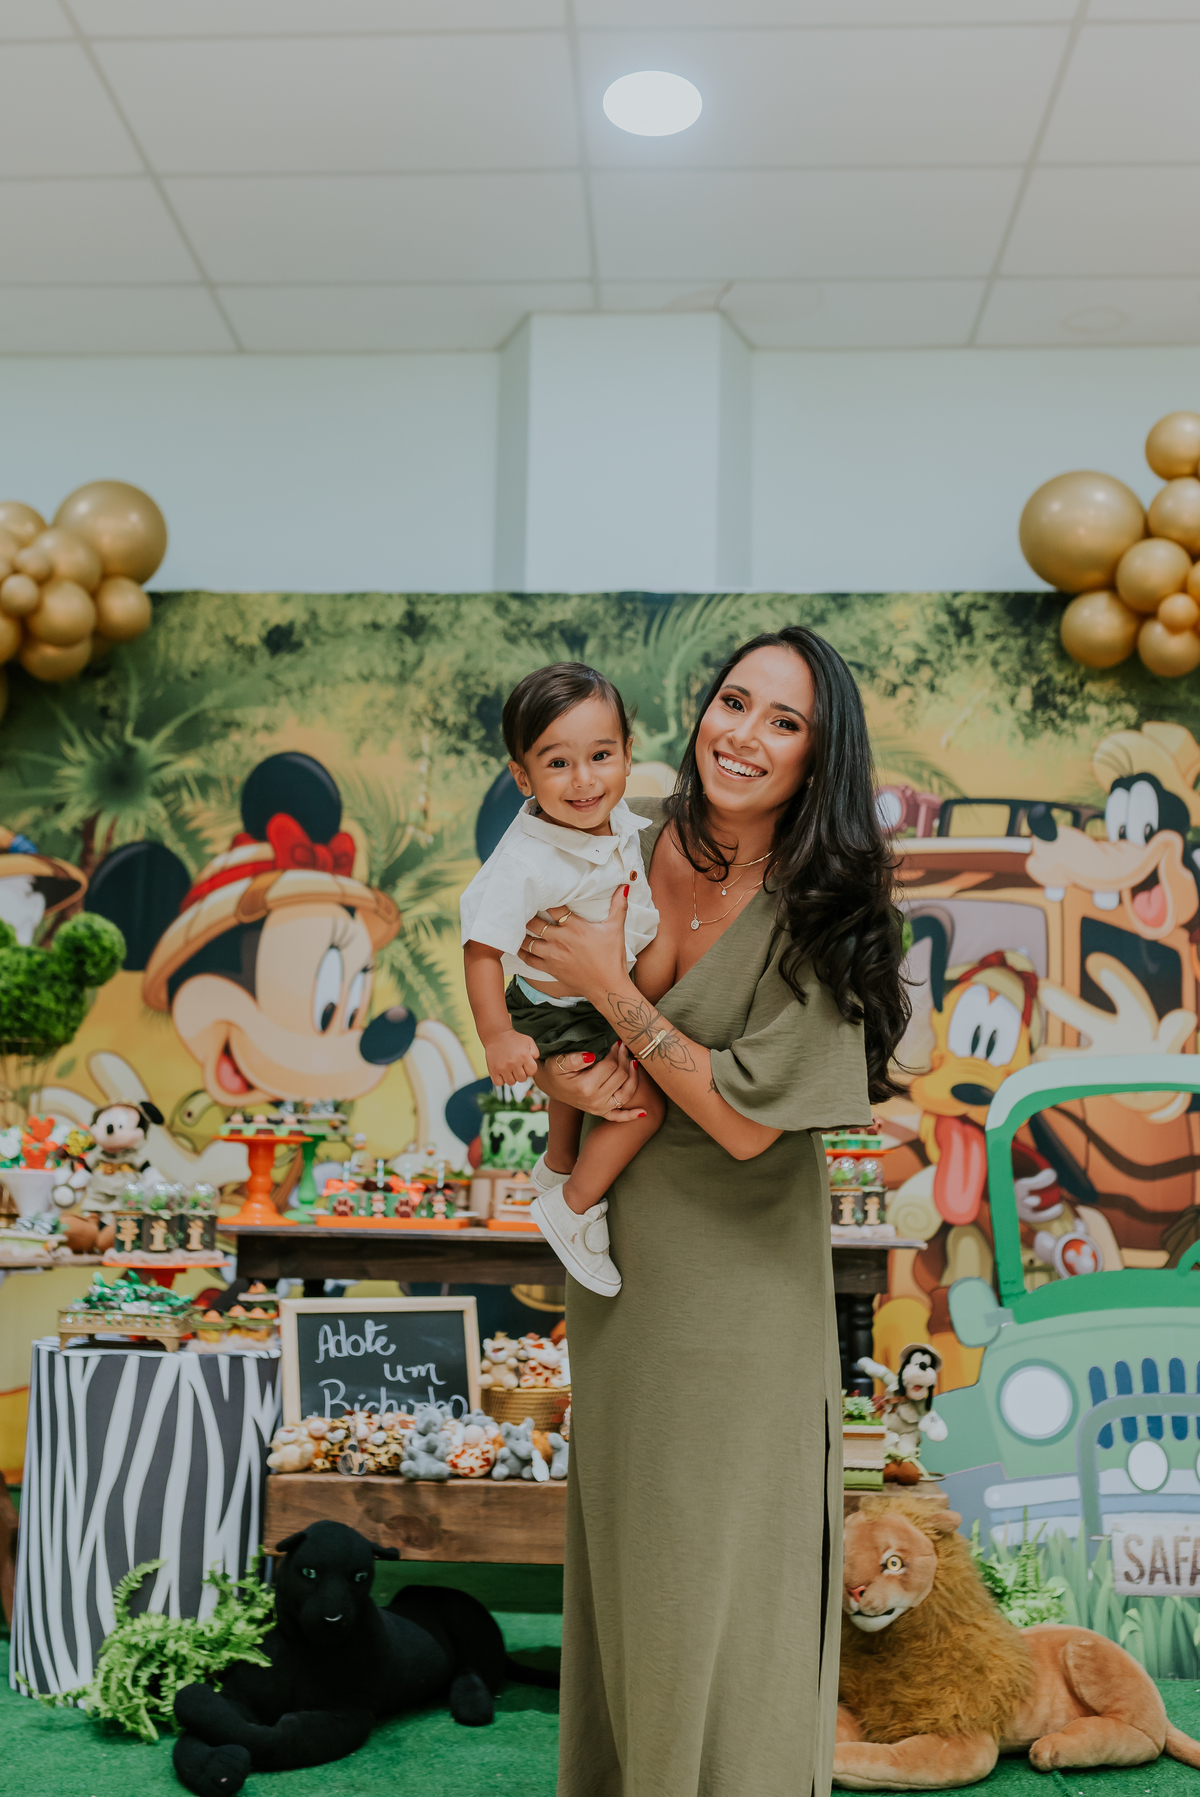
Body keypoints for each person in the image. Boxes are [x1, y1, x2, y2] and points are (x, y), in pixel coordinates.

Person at [518, 628, 910, 1797]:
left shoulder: (826, 906)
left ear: (818, 757)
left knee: (724, 1563)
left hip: (742, 1285)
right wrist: (562, 1084)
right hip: (622, 1261)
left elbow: (743, 1121)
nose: (744, 735)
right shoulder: (619, 843)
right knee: (632, 1549)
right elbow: (544, 1009)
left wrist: (610, 992)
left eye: (784, 722)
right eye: (734, 702)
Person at [460, 663, 665, 1296]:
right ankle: (572, 1208)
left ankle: (558, 1165)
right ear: (523, 776)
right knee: (641, 1106)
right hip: (556, 1009)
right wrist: (498, 1036)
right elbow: (481, 950)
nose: (584, 780)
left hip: (592, 1000)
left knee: (585, 1084)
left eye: (601, 755)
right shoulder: (526, 861)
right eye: (557, 763)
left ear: (627, 754)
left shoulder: (622, 821)